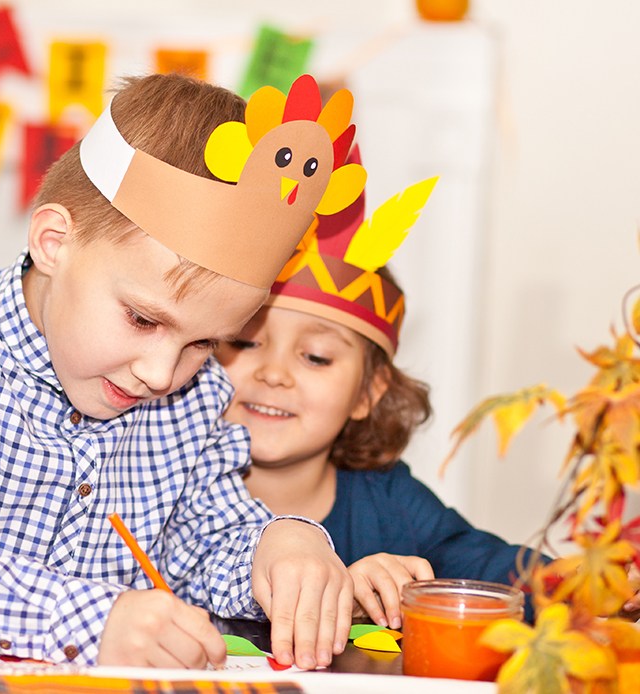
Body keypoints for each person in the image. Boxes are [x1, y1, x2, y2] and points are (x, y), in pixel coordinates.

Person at [0, 72, 370, 669]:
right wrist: (85, 620)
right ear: (54, 242)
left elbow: (209, 539)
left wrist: (281, 544)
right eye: (142, 319)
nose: (163, 374)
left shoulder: (193, 398)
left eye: (206, 343)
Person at [217, 174, 543, 630]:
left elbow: (489, 567)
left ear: (368, 393)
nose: (273, 373)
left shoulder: (389, 500)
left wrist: (585, 585)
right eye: (245, 343)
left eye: (316, 357)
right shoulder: (163, 483)